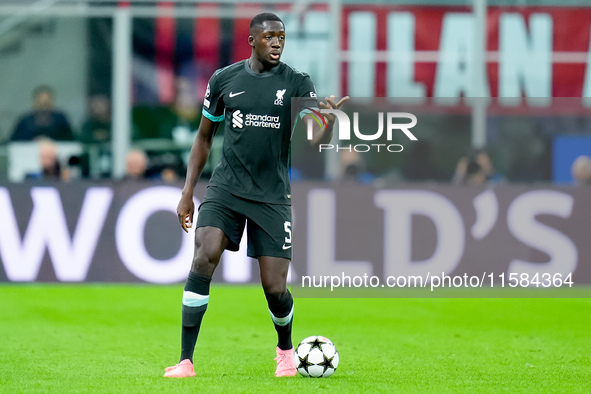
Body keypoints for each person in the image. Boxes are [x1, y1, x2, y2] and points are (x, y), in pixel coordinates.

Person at [165, 12, 346, 378]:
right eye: (269, 37)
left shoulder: (297, 82)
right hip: (226, 187)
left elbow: (313, 137)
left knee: (274, 287)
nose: (277, 43)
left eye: (281, 37)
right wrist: (187, 192)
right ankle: (185, 360)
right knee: (204, 257)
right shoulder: (224, 80)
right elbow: (203, 137)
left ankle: (284, 349)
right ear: (252, 41)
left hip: (272, 195)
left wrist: (326, 121)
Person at [10, 85, 75, 141]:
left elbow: (70, 140)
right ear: (34, 103)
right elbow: (14, 141)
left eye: (46, 104)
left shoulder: (60, 120)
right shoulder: (25, 121)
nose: (43, 109)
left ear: (52, 103)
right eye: (40, 104)